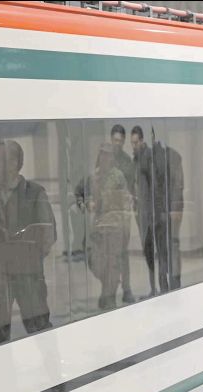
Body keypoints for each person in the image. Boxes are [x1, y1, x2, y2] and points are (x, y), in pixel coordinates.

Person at [0, 140, 56, 345]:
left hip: (28, 277)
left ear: (13, 163)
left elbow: (48, 235)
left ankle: (55, 375)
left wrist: (25, 258)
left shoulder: (34, 193)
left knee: (40, 331)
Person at [77, 143, 132, 310]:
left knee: (113, 263)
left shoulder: (118, 177)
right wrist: (86, 203)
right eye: (102, 154)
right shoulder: (93, 177)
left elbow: (125, 200)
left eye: (108, 155)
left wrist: (125, 226)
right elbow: (80, 194)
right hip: (99, 226)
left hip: (115, 225)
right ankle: (107, 289)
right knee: (95, 261)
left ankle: (109, 297)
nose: (105, 158)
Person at [111, 124, 136, 303]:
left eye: (120, 140)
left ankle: (126, 289)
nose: (117, 143)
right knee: (110, 253)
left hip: (123, 213)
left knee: (123, 252)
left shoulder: (127, 161)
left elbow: (131, 188)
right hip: (109, 213)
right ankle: (110, 289)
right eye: (115, 140)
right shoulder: (105, 158)